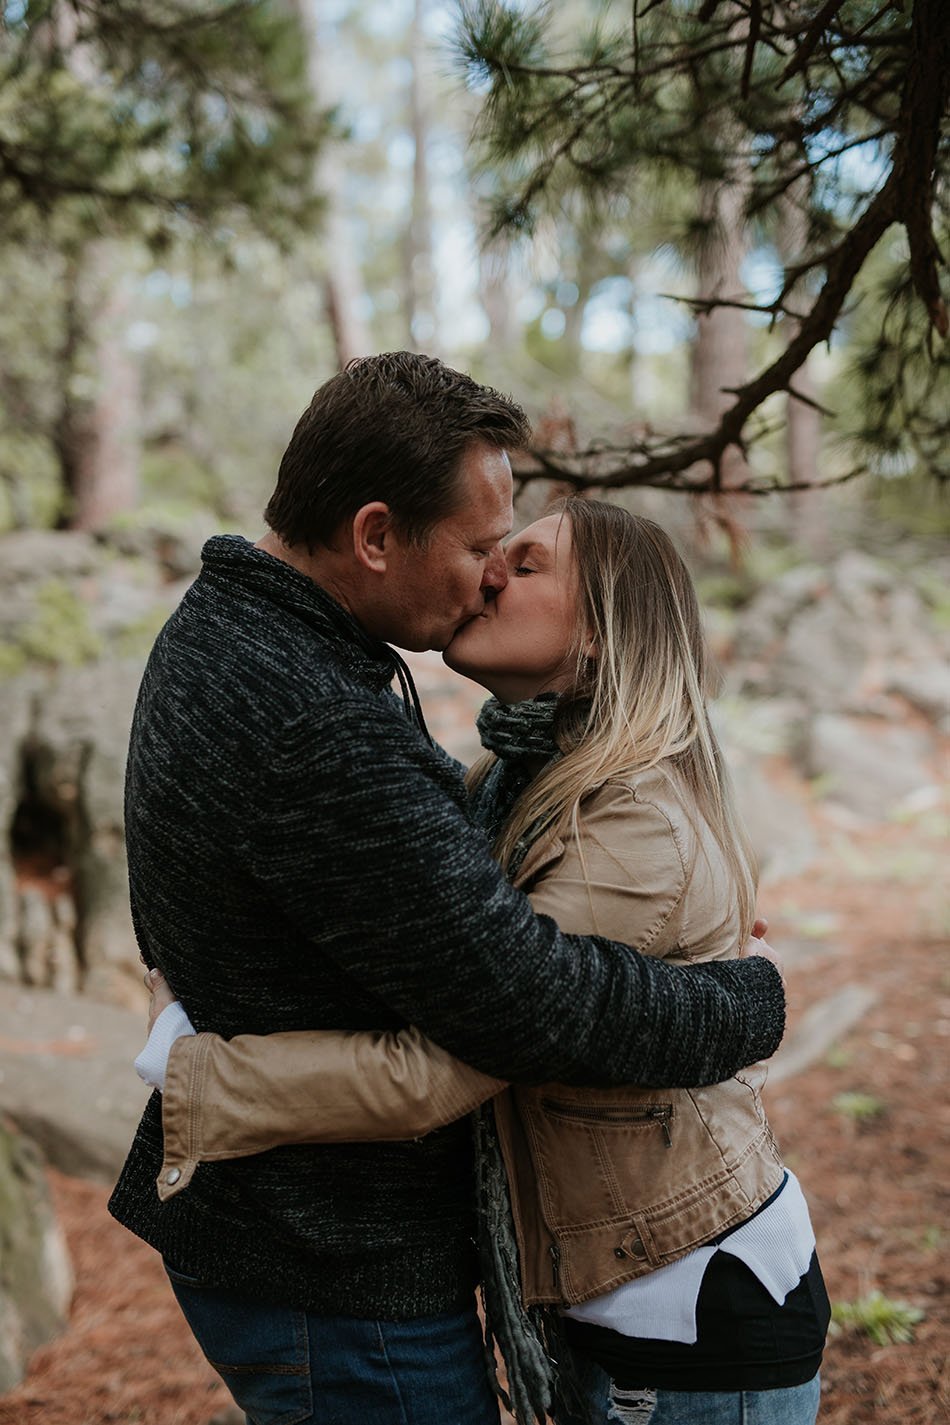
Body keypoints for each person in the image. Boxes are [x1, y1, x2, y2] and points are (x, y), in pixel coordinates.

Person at [110, 353, 786, 1425]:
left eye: (516, 560)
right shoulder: (314, 714)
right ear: (376, 536)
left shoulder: (249, 637)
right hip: (336, 1268)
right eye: (481, 549)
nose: (485, 576)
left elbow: (507, 971)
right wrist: (745, 1003)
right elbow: (525, 1006)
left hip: (341, 1250)